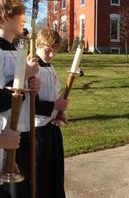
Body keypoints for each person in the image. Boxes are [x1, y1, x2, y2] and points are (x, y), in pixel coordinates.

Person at [0, 0, 40, 198]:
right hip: (4, 137)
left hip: (21, 133)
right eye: (20, 14)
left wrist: (32, 85)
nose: (23, 19)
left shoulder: (17, 50)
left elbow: (21, 90)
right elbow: (2, 98)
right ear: (6, 16)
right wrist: (25, 75)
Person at [35, 28, 69, 198]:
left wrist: (59, 112)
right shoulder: (32, 68)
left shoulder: (51, 67)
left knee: (57, 174)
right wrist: (55, 105)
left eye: (54, 51)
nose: (51, 55)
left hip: (53, 128)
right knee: (42, 177)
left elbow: (53, 94)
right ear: (38, 45)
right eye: (47, 50)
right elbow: (29, 105)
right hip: (38, 132)